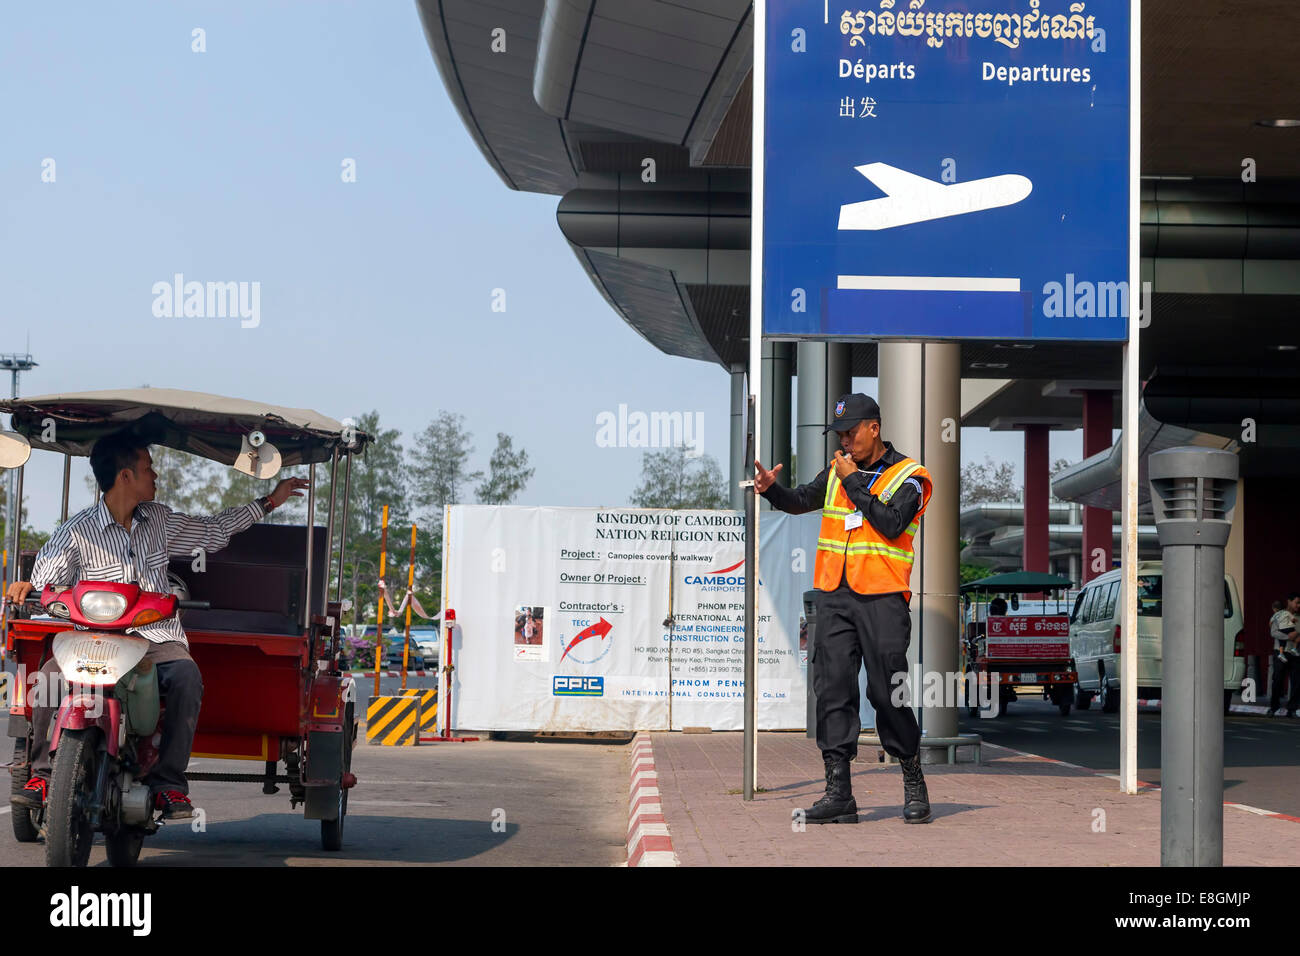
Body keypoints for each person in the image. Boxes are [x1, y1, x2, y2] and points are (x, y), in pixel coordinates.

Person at [5, 430, 307, 819]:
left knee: (186, 676)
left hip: (153, 639)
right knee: (47, 675)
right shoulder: (77, 530)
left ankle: (169, 784)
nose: (156, 476)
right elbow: (46, 579)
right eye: (148, 468)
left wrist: (269, 501)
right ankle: (42, 775)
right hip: (92, 639)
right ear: (125, 476)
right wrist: (27, 585)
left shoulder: (159, 520)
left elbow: (212, 532)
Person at [755, 392, 934, 824]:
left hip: (883, 598)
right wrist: (771, 490)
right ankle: (839, 793)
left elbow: (892, 524)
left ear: (874, 428)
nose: (845, 440)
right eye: (840, 434)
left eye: (851, 432)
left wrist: (855, 479)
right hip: (834, 596)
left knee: (885, 691)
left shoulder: (911, 475)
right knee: (832, 689)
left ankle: (912, 777)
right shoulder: (837, 471)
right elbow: (800, 500)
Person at [1268, 593, 1300, 718]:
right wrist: (1288, 637)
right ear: (1289, 601)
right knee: (1277, 680)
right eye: (1297, 602)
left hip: (1296, 653)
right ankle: (1273, 707)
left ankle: (1291, 709)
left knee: (1297, 682)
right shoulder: (1279, 615)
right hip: (1280, 651)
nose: (1298, 605)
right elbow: (1273, 632)